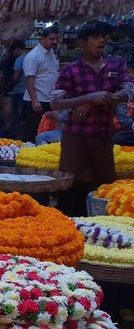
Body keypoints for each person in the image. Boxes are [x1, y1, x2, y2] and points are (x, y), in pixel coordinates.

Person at [51, 21, 134, 217]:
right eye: (96, 36)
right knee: (70, 182)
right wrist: (88, 98)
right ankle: (67, 222)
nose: (102, 39)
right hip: (76, 136)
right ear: (82, 42)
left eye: (104, 36)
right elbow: (56, 103)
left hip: (103, 135)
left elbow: (129, 91)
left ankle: (101, 225)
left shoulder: (117, 64)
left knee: (103, 183)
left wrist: (98, 101)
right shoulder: (70, 70)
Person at [22, 26, 60, 142]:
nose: (55, 42)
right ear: (42, 39)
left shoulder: (51, 53)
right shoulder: (34, 56)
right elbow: (29, 79)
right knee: (33, 131)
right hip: (37, 100)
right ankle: (29, 154)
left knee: (46, 130)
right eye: (51, 39)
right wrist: (34, 100)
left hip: (49, 99)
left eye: (56, 39)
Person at [10, 40, 28, 139]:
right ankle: (23, 137)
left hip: (19, 91)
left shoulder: (19, 59)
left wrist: (10, 82)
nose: (13, 55)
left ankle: (14, 138)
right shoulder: (31, 57)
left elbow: (15, 77)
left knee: (16, 116)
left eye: (13, 52)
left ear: (17, 49)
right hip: (28, 92)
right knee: (24, 117)